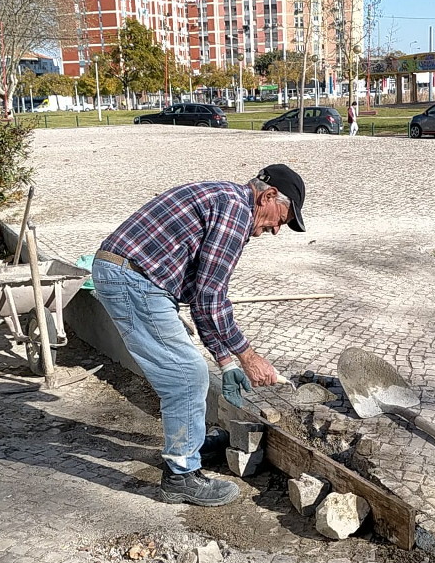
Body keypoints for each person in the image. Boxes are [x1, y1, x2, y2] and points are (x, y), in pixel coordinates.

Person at [91, 165, 307, 507]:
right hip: (133, 278)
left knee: (188, 369)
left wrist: (224, 361)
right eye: (282, 218)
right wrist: (247, 357)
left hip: (132, 275)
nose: (278, 230)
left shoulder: (226, 201)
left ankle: (188, 446)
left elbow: (198, 295)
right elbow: (211, 297)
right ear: (267, 196)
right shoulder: (235, 212)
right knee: (186, 374)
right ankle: (180, 477)